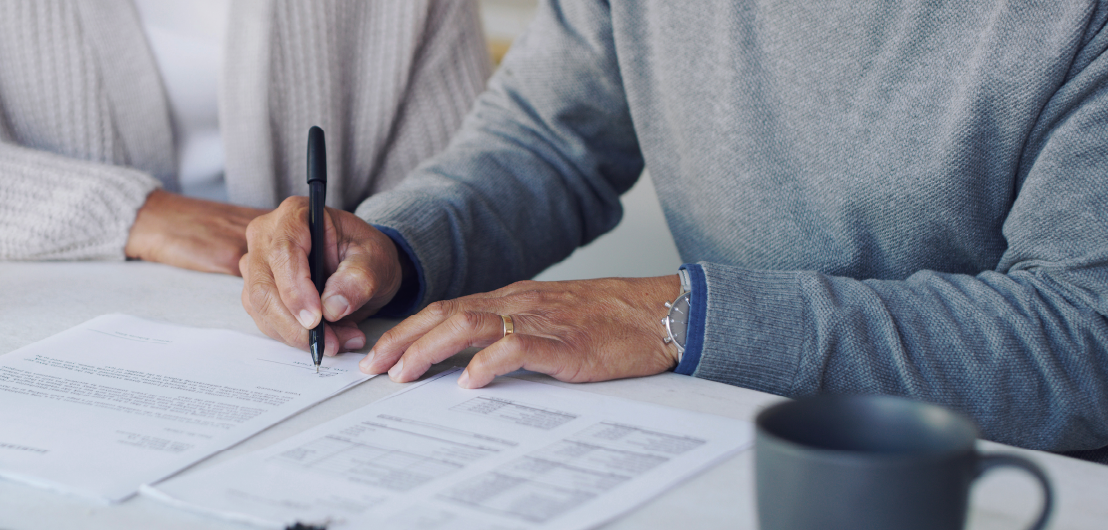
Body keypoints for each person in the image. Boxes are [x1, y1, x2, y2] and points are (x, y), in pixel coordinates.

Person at [239, 0, 1108, 457]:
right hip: (710, 443)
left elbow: (1083, 334)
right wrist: (389, 247)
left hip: (988, 480)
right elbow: (547, 143)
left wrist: (683, 317)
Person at [0, 0, 488, 275]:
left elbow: (462, 188)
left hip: (300, 361)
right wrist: (139, 215)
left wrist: (382, 261)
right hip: (12, 346)